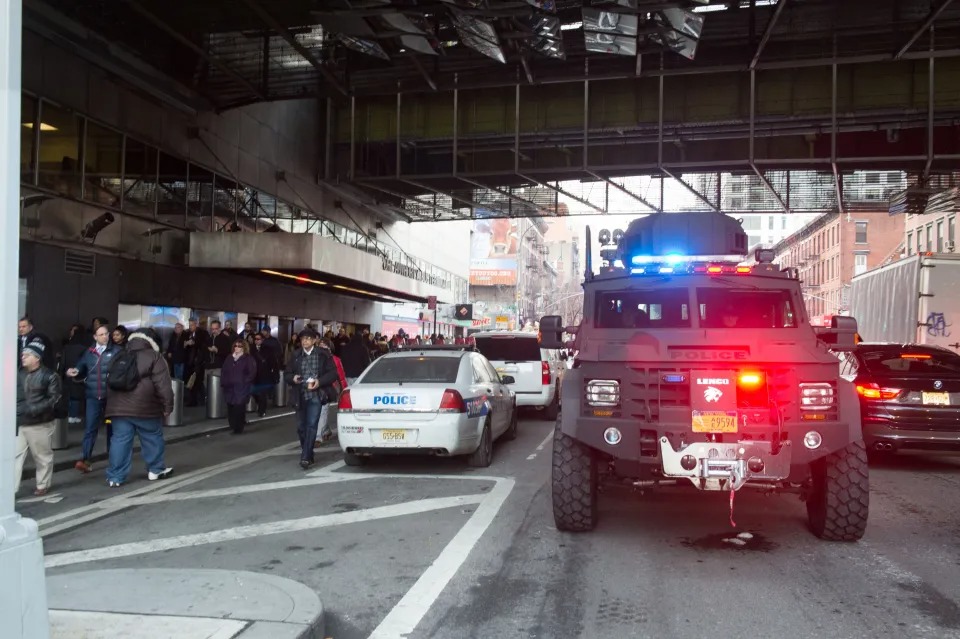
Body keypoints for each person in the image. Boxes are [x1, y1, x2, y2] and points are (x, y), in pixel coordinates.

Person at [104, 328, 174, 487]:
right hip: (145, 407)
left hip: (118, 408)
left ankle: (115, 477)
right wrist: (167, 406)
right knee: (152, 436)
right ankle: (155, 469)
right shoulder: (154, 356)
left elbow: (108, 380)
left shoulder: (119, 355)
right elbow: (163, 386)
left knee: (120, 440)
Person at [67, 324, 121, 473]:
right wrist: (74, 371)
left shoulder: (116, 351)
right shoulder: (89, 353)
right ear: (95, 337)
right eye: (102, 334)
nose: (105, 336)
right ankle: (86, 460)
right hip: (93, 397)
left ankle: (113, 459)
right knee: (90, 428)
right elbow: (80, 367)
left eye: (106, 334)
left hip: (110, 398)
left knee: (111, 428)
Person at [285, 328, 338, 469]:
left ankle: (305, 457)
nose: (305, 341)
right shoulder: (296, 355)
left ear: (314, 340)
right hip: (299, 394)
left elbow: (333, 373)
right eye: (303, 339)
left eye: (308, 339)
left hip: (316, 394)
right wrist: (293, 378)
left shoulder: (323, 354)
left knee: (311, 425)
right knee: (301, 427)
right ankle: (308, 453)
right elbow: (287, 374)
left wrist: (319, 382)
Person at [15, 339, 62, 497]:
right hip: (20, 422)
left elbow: (54, 398)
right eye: (23, 355)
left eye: (27, 355)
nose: (23, 357)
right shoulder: (18, 374)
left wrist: (33, 410)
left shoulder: (50, 376)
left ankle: (42, 484)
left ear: (37, 358)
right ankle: (11, 488)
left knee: (42, 456)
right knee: (15, 456)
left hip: (39, 422)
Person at [221, 338, 257, 435]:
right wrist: (224, 382)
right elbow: (224, 370)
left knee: (239, 407)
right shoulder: (229, 358)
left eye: (239, 346)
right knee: (231, 407)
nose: (237, 348)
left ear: (244, 348)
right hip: (229, 387)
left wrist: (244, 381)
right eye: (235, 346)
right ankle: (233, 425)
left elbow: (252, 372)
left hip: (241, 387)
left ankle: (238, 428)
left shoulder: (248, 358)